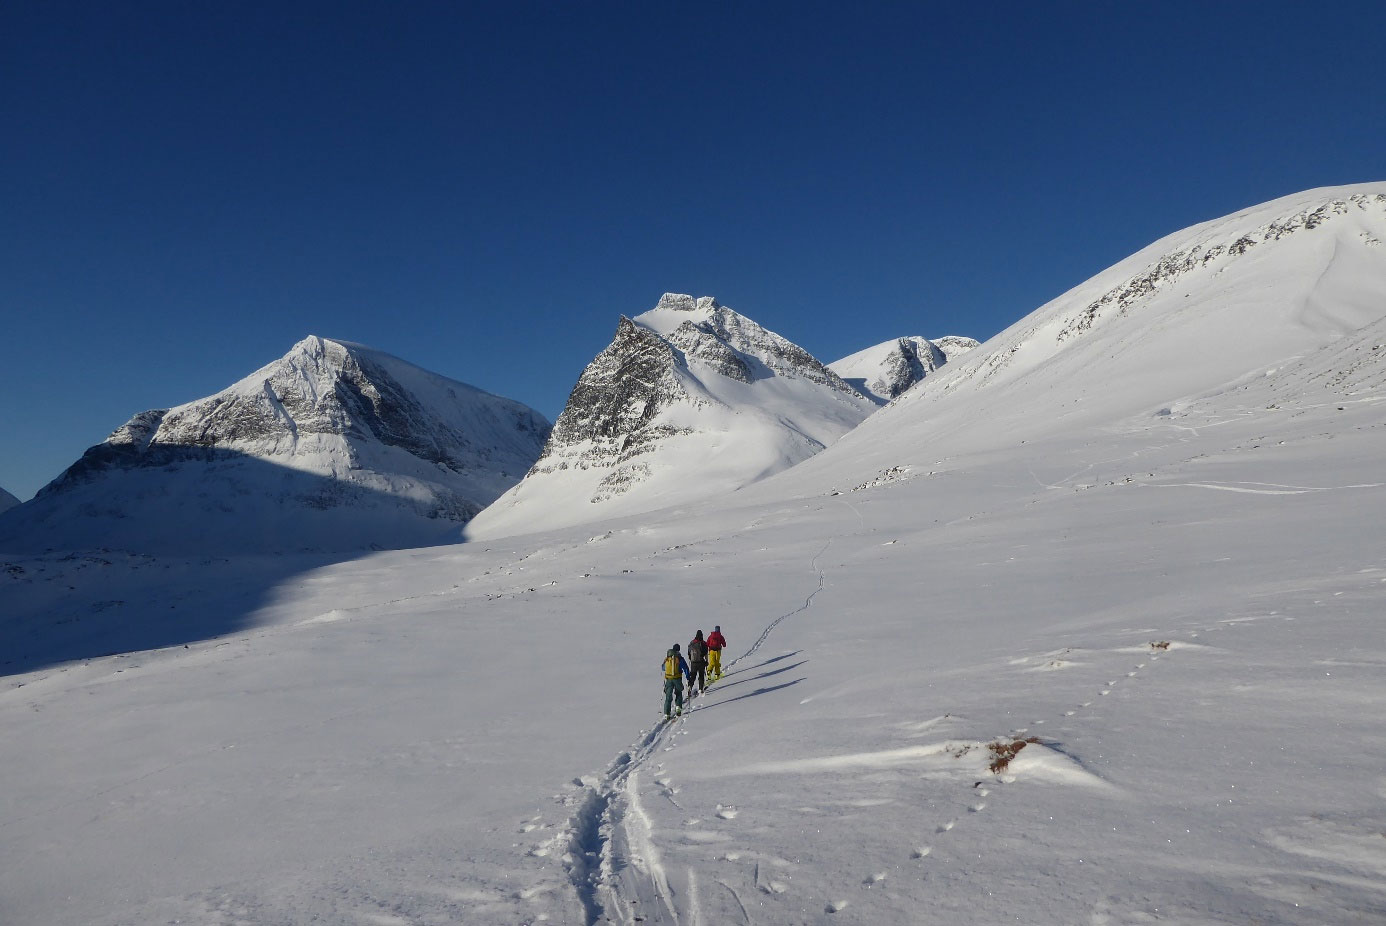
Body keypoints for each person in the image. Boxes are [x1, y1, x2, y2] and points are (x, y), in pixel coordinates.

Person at [661, 643, 690, 719]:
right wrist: (688, 677)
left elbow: (663, 668)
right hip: (677, 678)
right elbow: (686, 668)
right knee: (678, 693)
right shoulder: (679, 658)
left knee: (668, 695)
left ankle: (667, 713)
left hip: (669, 679)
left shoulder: (668, 658)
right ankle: (678, 708)